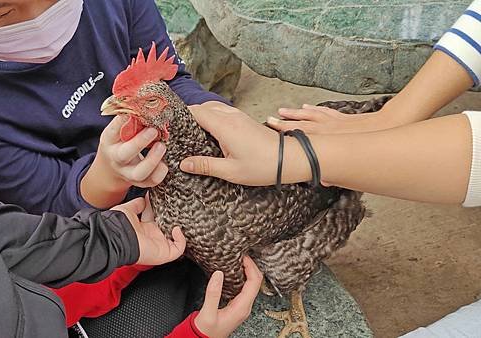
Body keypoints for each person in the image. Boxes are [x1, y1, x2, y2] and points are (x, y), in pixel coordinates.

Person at [0, 2, 263, 337]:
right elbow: (50, 211)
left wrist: (218, 118)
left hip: (139, 227)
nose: (40, 15)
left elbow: (173, 84)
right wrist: (107, 178)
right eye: (1, 10)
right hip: (90, 228)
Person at [179, 1, 481, 336]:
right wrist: (391, 118)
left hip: (311, 202)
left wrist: (297, 159)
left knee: (286, 253)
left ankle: (296, 301)